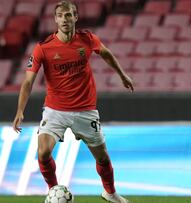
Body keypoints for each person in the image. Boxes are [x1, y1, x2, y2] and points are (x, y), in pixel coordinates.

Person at [12, 1, 134, 203]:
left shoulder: (87, 39)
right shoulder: (43, 48)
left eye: (68, 15)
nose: (64, 19)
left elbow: (105, 53)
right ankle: (54, 192)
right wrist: (19, 111)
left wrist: (122, 75)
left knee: (102, 157)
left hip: (85, 110)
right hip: (55, 110)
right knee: (42, 152)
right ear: (55, 19)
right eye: (60, 15)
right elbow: (27, 82)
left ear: (75, 17)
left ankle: (110, 193)